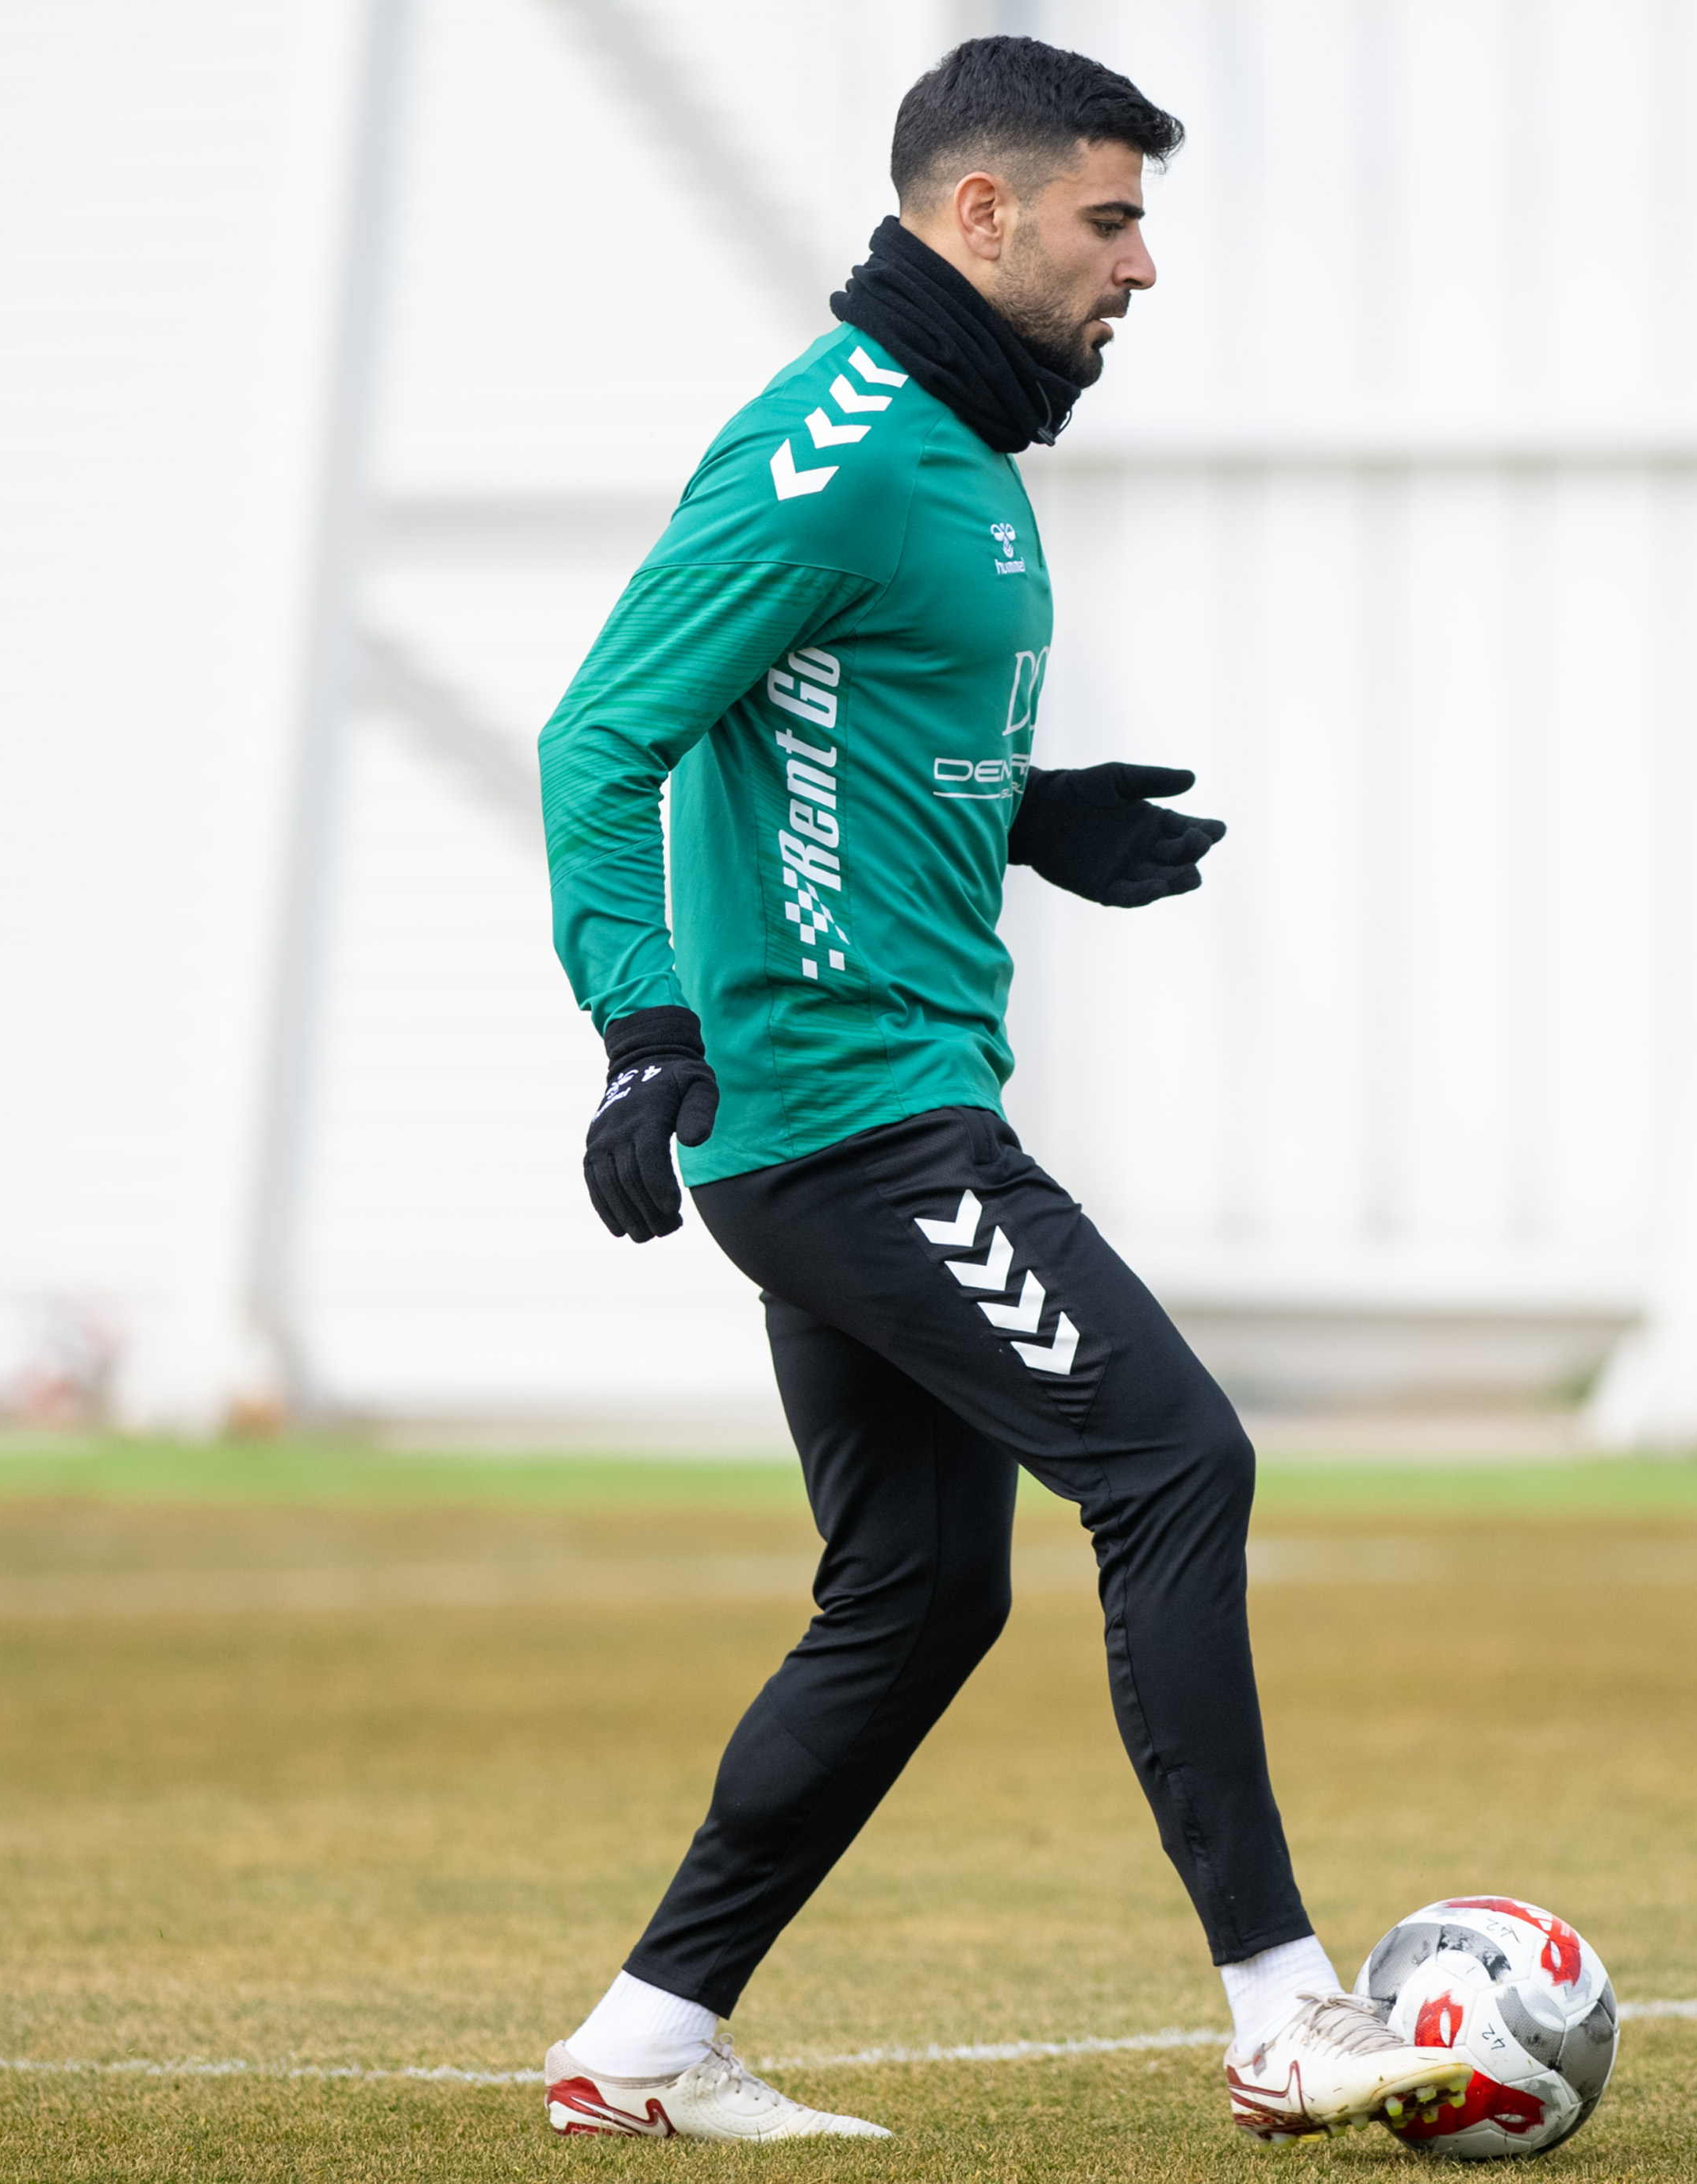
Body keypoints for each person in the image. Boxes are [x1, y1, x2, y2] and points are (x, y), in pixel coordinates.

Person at [533, 33, 1469, 2147]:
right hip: (851, 1113)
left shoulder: (958, 446)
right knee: (1175, 1464)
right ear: (983, 212)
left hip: (874, 1105)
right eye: (1109, 220)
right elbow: (603, 734)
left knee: (922, 1596)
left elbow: (829, 718)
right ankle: (1287, 2014)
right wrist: (642, 1024)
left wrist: (1027, 815)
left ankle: (647, 2040)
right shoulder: (838, 455)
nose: (1141, 265)